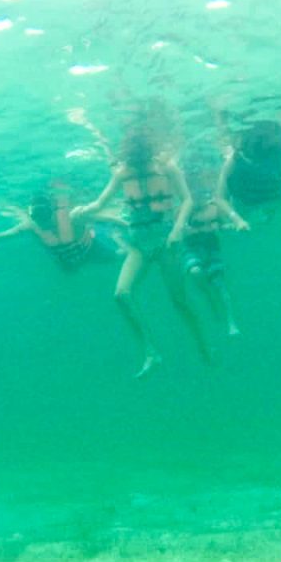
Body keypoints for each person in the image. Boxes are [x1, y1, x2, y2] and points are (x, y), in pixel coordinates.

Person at [72, 127, 214, 378]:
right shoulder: (122, 173)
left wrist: (178, 230)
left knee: (179, 302)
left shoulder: (167, 167)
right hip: (139, 243)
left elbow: (188, 200)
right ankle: (151, 351)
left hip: (166, 242)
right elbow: (100, 203)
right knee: (121, 295)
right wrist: (81, 210)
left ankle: (202, 344)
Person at [0, 183, 125, 273]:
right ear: (32, 216)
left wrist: (123, 225)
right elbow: (3, 235)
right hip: (66, 258)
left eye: (44, 215)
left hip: (91, 249)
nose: (42, 221)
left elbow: (102, 217)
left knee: (118, 256)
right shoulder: (31, 225)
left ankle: (116, 238)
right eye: (37, 217)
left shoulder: (70, 218)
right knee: (70, 272)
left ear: (52, 211)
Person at [183, 170, 249, 337]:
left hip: (212, 248)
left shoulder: (214, 208)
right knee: (195, 271)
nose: (199, 197)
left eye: (202, 192)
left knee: (220, 283)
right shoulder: (184, 211)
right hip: (193, 249)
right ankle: (209, 298)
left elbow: (223, 225)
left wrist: (231, 227)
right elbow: (181, 231)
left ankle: (231, 321)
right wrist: (200, 228)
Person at [217, 118, 281, 222]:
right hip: (244, 198)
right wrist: (236, 219)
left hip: (273, 196)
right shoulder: (235, 159)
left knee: (272, 222)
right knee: (248, 221)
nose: (258, 163)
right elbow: (220, 197)